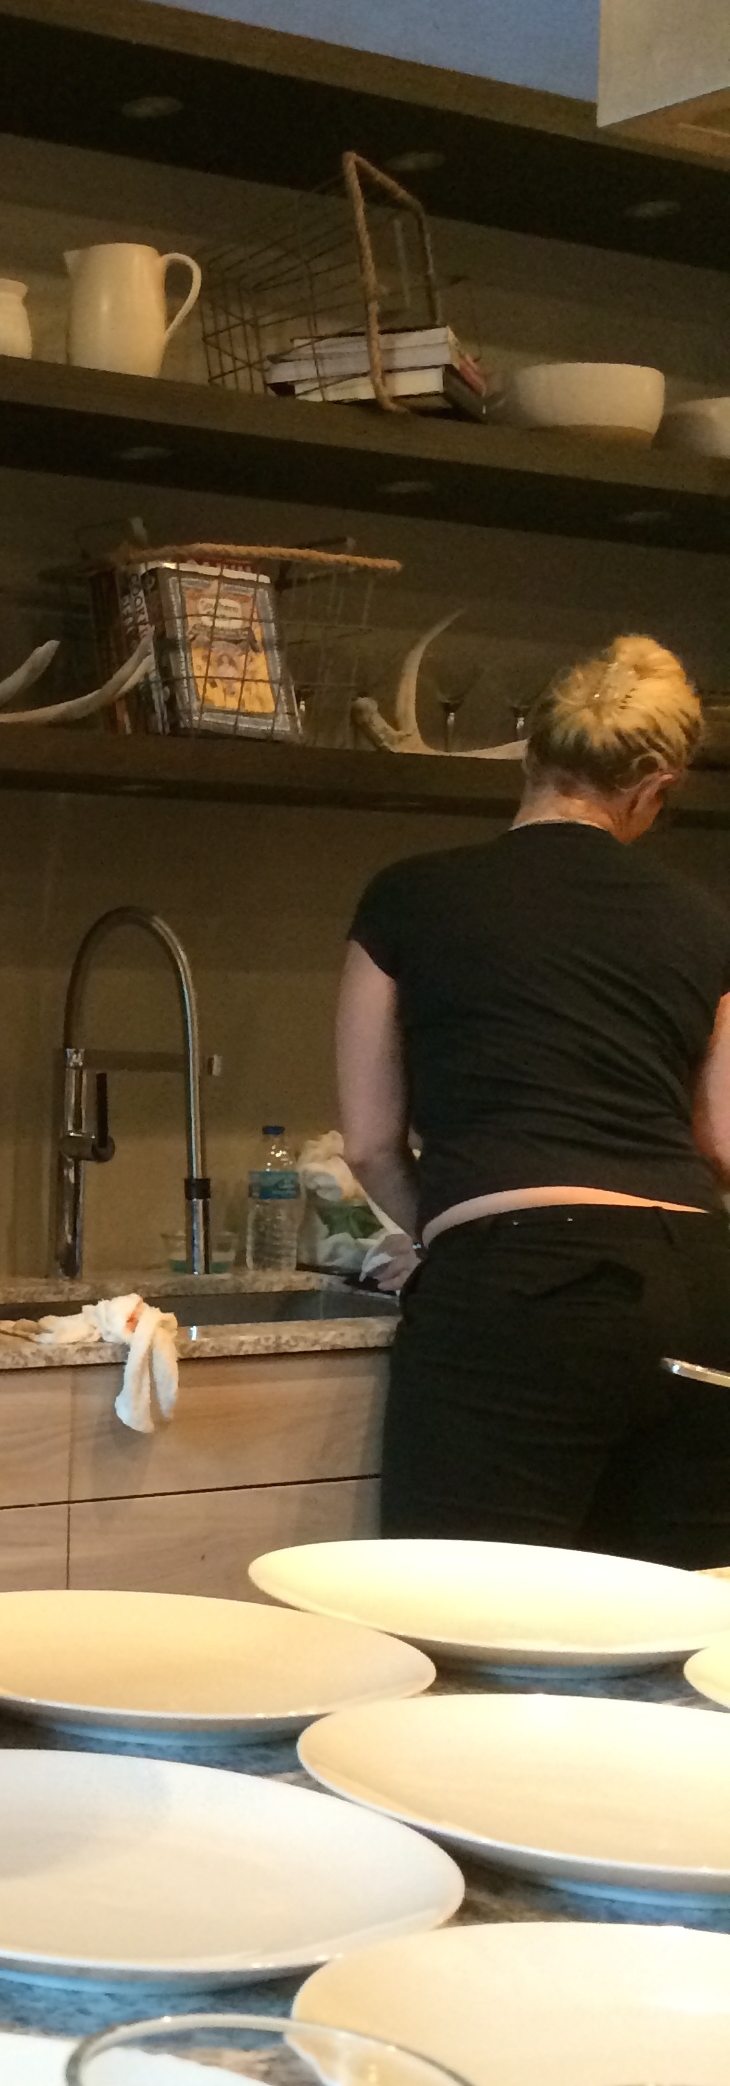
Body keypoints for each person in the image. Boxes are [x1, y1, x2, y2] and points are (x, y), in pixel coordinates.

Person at [336, 634, 730, 1561]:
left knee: (469, 1609)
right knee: (677, 1618)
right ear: (655, 788)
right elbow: (720, 1142)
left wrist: (454, 1231)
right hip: (702, 1286)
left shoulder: (409, 897)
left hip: (516, 1295)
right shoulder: (708, 921)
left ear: (529, 754)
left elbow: (369, 1145)